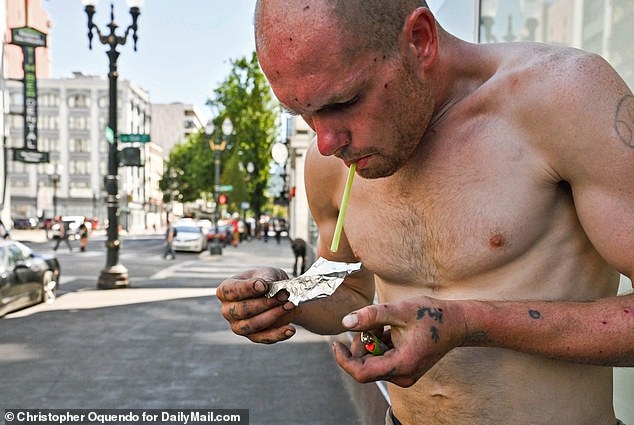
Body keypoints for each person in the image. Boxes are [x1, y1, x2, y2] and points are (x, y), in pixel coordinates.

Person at [216, 1, 634, 424]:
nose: (325, 140)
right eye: (302, 111)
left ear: (419, 40)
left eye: (343, 101)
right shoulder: (331, 163)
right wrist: (287, 297)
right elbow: (349, 290)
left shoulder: (565, 97)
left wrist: (470, 322)